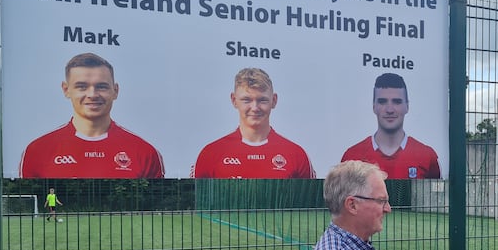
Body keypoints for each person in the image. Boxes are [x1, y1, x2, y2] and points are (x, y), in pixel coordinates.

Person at [19, 52, 165, 178]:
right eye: (81, 87)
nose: (92, 95)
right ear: (66, 90)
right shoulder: (37, 151)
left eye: (101, 87)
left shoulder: (145, 152)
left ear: (115, 91)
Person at [192, 67, 315, 178]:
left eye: (262, 100)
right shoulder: (210, 154)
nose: (255, 108)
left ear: (274, 100)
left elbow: (311, 203)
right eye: (246, 100)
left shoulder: (297, 155)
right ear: (234, 100)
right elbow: (193, 201)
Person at [341, 73, 440, 179]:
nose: (389, 110)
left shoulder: (428, 156)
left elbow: (436, 195)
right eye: (382, 102)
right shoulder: (352, 157)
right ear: (374, 106)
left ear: (407, 106)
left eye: (397, 102)